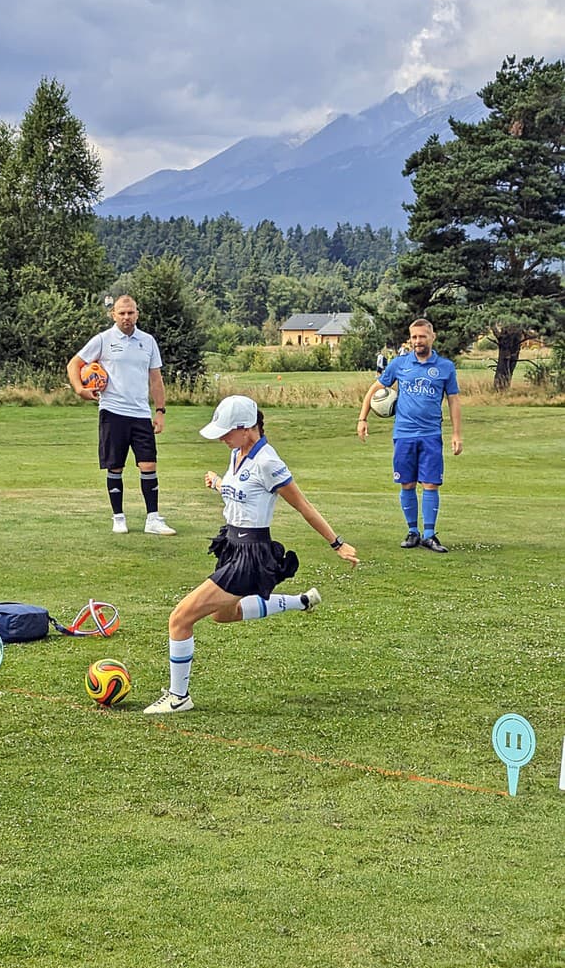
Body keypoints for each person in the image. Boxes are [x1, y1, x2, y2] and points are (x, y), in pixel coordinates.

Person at [143, 395, 359, 715]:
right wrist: (218, 482)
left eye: (227, 431)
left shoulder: (268, 462)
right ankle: (299, 601)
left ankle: (179, 696)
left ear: (248, 429)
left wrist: (337, 543)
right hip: (231, 546)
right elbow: (242, 493)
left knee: (180, 618)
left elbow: (304, 507)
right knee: (222, 614)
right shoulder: (236, 453)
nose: (221, 437)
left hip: (250, 554)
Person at [66, 294, 175, 535]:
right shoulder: (103, 340)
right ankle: (119, 518)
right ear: (113, 315)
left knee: (148, 464)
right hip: (112, 412)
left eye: (131, 312)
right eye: (122, 313)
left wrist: (160, 411)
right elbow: (74, 364)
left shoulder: (147, 342)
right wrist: (80, 389)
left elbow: (156, 379)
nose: (126, 317)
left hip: (140, 413)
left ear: (137, 314)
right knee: (115, 466)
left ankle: (153, 519)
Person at [357, 317, 462, 554]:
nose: (417, 341)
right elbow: (372, 391)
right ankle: (412, 532)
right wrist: (363, 419)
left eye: (422, 336)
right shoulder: (399, 364)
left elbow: (454, 401)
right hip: (404, 435)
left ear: (432, 337)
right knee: (407, 483)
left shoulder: (445, 367)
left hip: (431, 435)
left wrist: (457, 434)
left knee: (431, 484)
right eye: (414, 337)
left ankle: (429, 535)